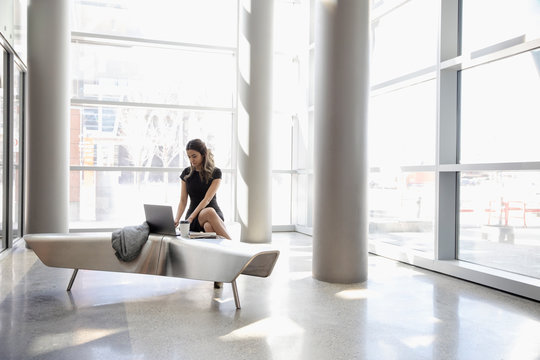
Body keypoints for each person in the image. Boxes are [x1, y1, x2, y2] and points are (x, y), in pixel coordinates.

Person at [174, 139, 231, 241]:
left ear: (203, 154)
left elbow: (207, 199)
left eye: (194, 156)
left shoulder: (216, 172)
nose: (192, 160)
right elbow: (183, 200)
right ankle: (234, 247)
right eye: (189, 157)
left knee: (208, 226)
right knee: (209, 213)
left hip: (213, 214)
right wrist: (177, 219)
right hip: (194, 217)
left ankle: (222, 252)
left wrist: (190, 218)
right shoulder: (186, 173)